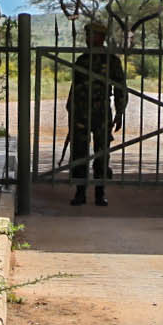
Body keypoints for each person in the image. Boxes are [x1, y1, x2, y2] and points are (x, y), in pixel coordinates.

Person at [64, 19, 128, 206]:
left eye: (91, 34)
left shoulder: (112, 61)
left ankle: (100, 192)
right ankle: (80, 192)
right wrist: (71, 112)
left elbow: (120, 88)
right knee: (79, 152)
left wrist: (119, 111)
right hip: (80, 113)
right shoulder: (82, 59)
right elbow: (74, 89)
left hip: (101, 112)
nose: (87, 38)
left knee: (102, 152)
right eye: (87, 34)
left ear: (101, 37)